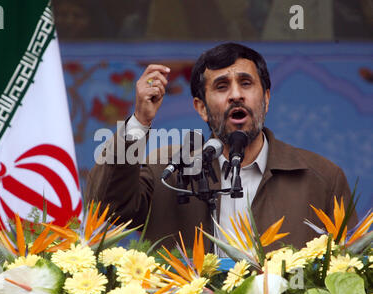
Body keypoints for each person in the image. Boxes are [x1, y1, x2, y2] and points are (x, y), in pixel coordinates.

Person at [85, 42, 357, 253]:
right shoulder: (166, 171)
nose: (236, 94)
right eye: (222, 86)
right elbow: (107, 208)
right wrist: (138, 122)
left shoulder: (320, 178)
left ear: (266, 99)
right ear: (201, 108)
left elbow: (349, 270)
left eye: (246, 83)